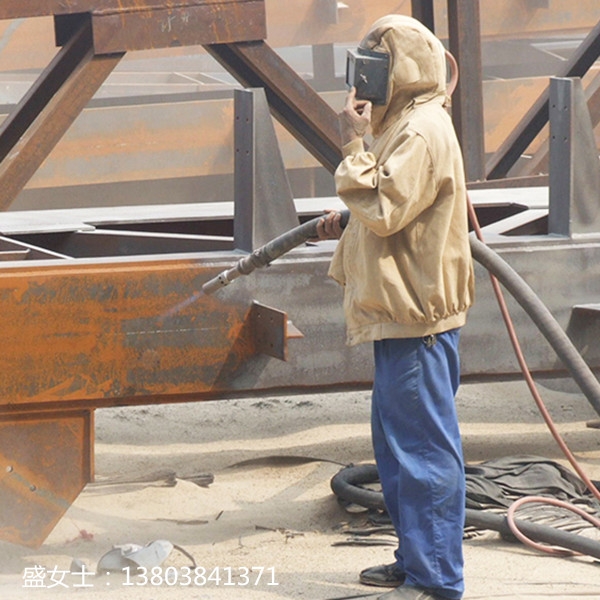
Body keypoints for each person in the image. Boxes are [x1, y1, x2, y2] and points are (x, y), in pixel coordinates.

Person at [316, 15, 475, 600]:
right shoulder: (401, 124)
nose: (363, 81)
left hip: (417, 321)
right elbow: (385, 207)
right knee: (397, 453)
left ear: (401, 70)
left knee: (424, 455)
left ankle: (436, 581)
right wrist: (347, 212)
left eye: (374, 67)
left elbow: (386, 208)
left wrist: (349, 146)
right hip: (397, 314)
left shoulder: (421, 130)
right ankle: (416, 561)